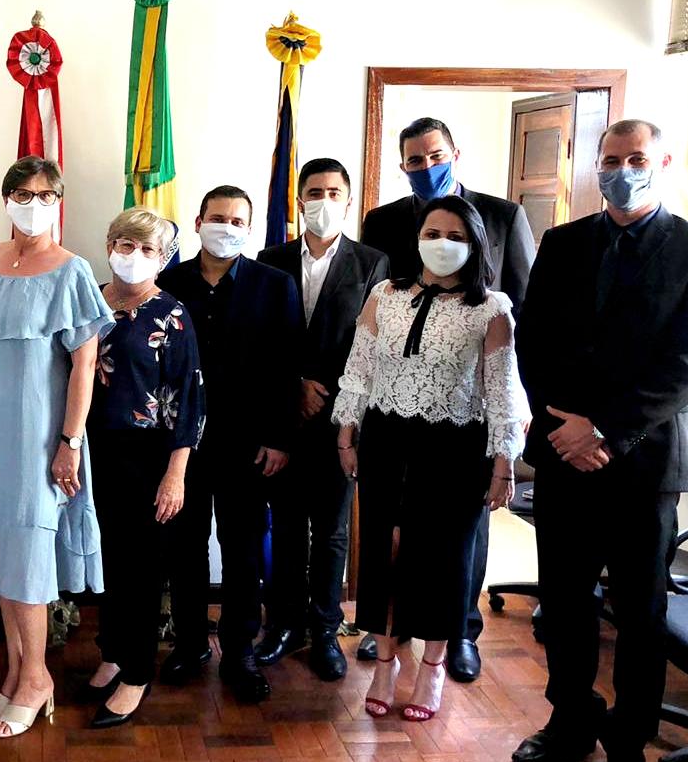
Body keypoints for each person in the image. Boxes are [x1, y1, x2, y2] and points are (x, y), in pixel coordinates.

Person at [511, 119, 688, 762]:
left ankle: (629, 743)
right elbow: (532, 343)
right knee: (564, 603)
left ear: (662, 163)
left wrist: (603, 429)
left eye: (635, 158)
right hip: (563, 457)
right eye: (609, 160)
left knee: (640, 614)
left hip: (643, 466)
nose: (620, 171)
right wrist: (564, 429)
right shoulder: (561, 242)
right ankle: (569, 720)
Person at [332, 195, 527, 722]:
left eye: (456, 237)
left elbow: (502, 393)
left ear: (475, 245)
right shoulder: (384, 295)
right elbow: (359, 369)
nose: (443, 244)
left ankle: (433, 666)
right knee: (385, 552)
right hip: (386, 441)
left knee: (444, 559)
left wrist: (504, 463)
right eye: (433, 233)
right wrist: (346, 435)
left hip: (455, 448)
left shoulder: (492, 308)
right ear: (417, 239)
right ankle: (386, 661)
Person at [358, 116, 536, 681]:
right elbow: (375, 308)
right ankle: (393, 629)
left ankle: (460, 632)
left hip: (468, 408)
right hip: (396, 408)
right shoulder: (383, 221)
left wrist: (513, 410)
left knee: (460, 535)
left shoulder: (503, 215)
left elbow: (525, 311)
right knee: (395, 527)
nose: (425, 166)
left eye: (434, 156)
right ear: (402, 165)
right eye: (414, 160)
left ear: (455, 153)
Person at [0, 156, 113, 738]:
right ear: (6, 199)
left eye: (46, 194)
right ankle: (16, 667)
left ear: (59, 201)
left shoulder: (72, 272)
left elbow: (83, 364)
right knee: (1, 549)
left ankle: (38, 676)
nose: (33, 204)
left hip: (39, 434)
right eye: (23, 193)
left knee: (27, 553)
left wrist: (70, 441)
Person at [156, 185, 303, 703]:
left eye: (237, 221)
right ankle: (191, 643)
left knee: (243, 551)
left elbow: (287, 366)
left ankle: (240, 651)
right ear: (198, 223)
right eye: (218, 218)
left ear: (250, 228)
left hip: (249, 445)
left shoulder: (275, 285)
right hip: (183, 446)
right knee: (185, 547)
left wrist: (280, 438)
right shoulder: (168, 283)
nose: (227, 228)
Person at [254, 159, 389, 680]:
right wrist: (294, 384)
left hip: (341, 422)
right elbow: (263, 338)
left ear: (348, 201)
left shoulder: (373, 263)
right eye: (315, 192)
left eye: (334, 192)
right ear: (299, 200)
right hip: (284, 420)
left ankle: (326, 630)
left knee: (332, 533)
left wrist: (324, 392)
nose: (324, 201)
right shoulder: (271, 259)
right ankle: (283, 624)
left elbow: (372, 344)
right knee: (287, 527)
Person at [83, 209, 205, 728]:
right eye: (126, 244)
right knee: (108, 559)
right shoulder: (89, 301)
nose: (134, 256)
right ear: (109, 245)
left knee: (141, 566)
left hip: (148, 455)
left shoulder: (172, 314)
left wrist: (176, 473)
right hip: (92, 449)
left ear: (163, 258)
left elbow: (190, 398)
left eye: (148, 249)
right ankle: (112, 651)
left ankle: (136, 672)